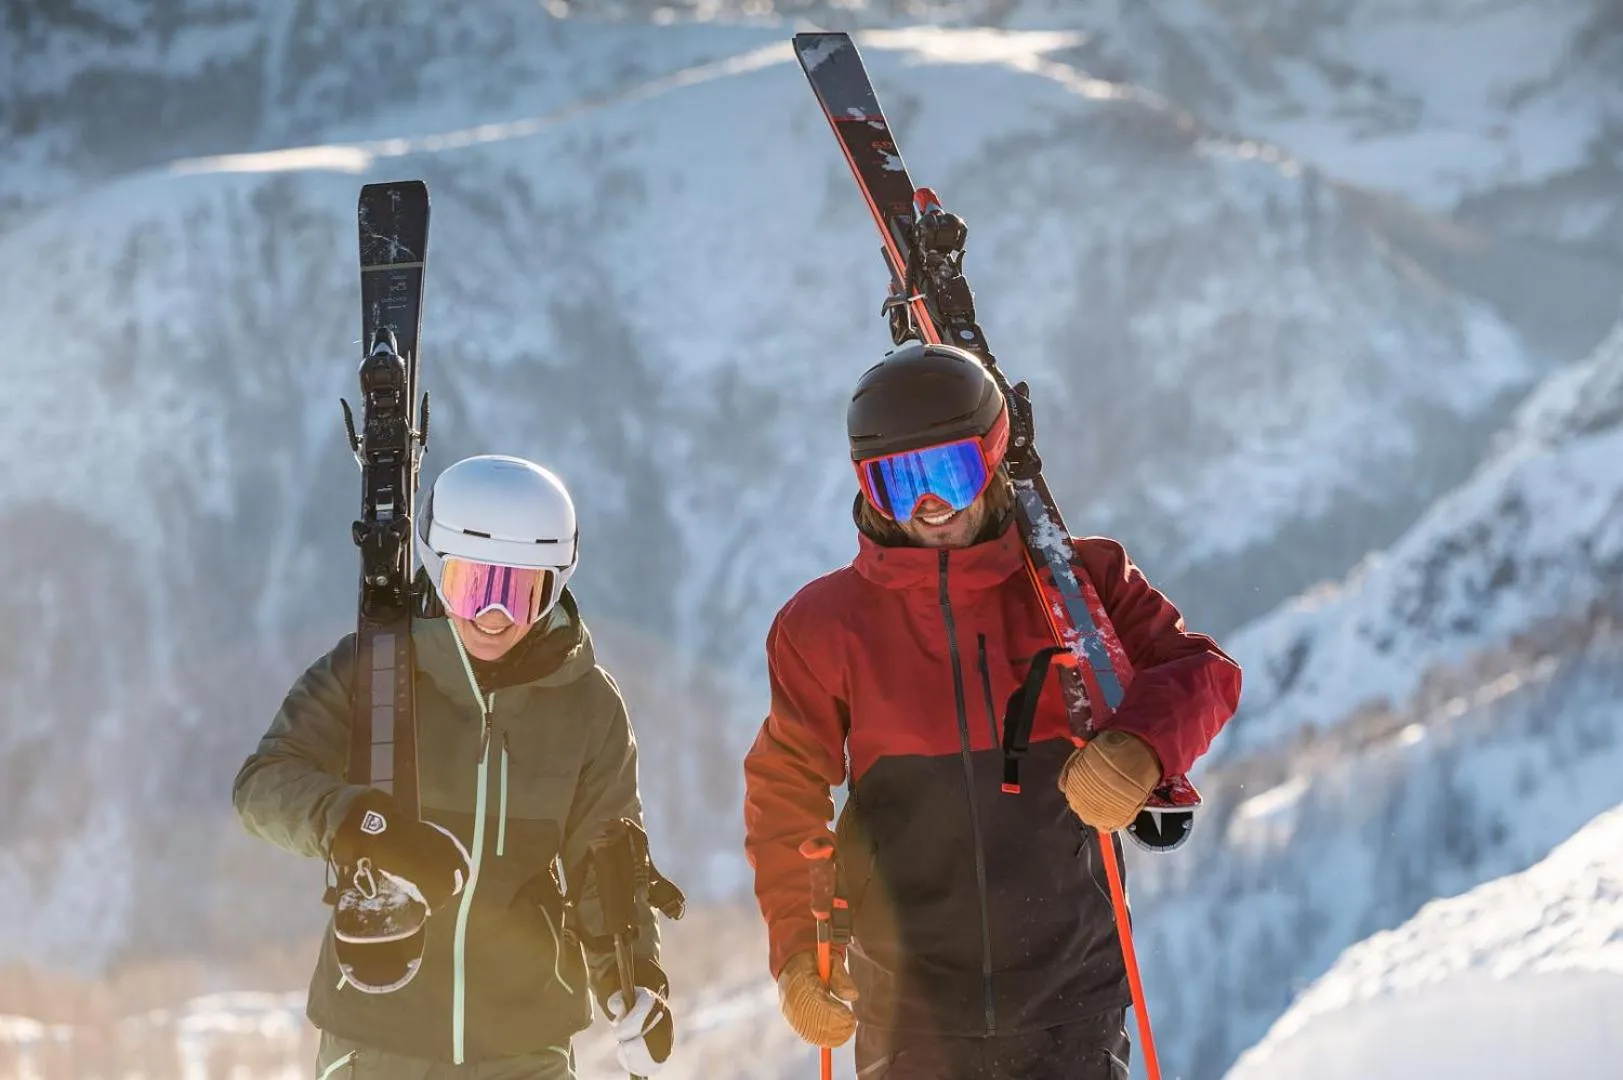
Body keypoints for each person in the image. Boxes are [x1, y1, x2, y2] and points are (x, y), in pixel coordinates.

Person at [742, 343, 1243, 1079]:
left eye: (946, 472)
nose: (928, 506)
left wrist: (1140, 746)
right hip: (907, 1007)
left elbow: (1203, 672)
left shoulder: (1079, 583)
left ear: (993, 456)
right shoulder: (824, 625)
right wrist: (797, 952)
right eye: (897, 483)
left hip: (1071, 992)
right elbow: (784, 794)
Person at [233, 454, 675, 1079]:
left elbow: (606, 861)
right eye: (473, 588)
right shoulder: (375, 674)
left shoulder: (589, 706)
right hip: (378, 1035)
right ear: (438, 572)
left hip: (526, 1048)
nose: (494, 619)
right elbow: (262, 786)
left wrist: (634, 980)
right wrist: (365, 825)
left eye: (520, 595)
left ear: (555, 586)